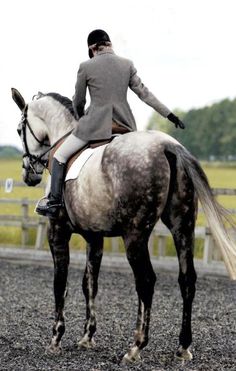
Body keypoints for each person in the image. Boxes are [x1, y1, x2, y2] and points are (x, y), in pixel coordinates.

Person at [36, 29, 185, 218]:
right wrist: (169, 115)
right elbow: (145, 94)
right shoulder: (127, 64)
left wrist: (81, 116)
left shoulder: (86, 66)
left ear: (92, 48)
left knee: (59, 156)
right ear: (109, 44)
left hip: (94, 127)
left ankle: (54, 202)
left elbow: (79, 101)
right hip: (125, 126)